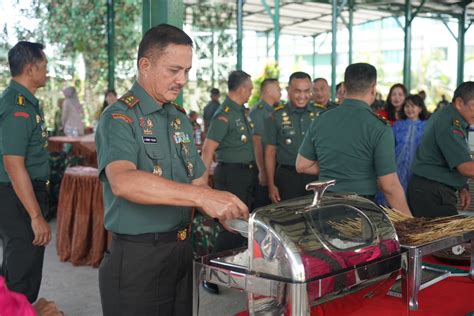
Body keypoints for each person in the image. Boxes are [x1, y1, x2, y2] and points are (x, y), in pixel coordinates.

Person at [95, 24, 248, 316]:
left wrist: (222, 207)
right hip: (138, 257)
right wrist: (200, 198)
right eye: (174, 70)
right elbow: (123, 182)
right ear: (145, 65)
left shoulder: (178, 118)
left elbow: (197, 182)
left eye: (187, 71)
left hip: (180, 251)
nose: (182, 80)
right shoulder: (119, 117)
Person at [296, 63, 412, 216]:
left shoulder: (321, 120)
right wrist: (410, 221)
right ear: (373, 89)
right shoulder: (379, 127)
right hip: (360, 210)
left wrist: (333, 166)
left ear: (344, 88)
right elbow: (389, 186)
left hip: (325, 205)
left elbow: (302, 165)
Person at [0, 41, 52, 303]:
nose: (47, 72)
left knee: (16, 269)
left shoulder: (25, 103)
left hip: (21, 192)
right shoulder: (18, 107)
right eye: (44, 66)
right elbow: (13, 164)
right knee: (22, 274)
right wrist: (35, 216)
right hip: (19, 196)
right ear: (30, 69)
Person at [200, 70, 257, 294]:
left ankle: (234, 271)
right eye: (250, 89)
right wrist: (202, 185)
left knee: (242, 226)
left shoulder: (240, 112)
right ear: (242, 89)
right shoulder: (223, 115)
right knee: (229, 226)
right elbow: (207, 149)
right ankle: (209, 274)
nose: (251, 93)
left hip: (246, 174)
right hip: (231, 174)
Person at [407, 82, 474, 218]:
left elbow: (449, 158)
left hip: (431, 190)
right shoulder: (450, 123)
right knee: (442, 239)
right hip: (432, 194)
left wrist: (462, 186)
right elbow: (466, 168)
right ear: (460, 103)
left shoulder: (450, 117)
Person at [264, 72, 320, 203]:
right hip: (287, 177)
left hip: (315, 177)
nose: (302, 96)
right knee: (289, 219)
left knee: (316, 218)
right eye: (297, 91)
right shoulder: (276, 116)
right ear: (288, 90)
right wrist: (271, 186)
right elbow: (270, 152)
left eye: (306, 91)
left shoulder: (321, 114)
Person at [375, 94, 429, 205]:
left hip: (416, 168)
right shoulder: (397, 125)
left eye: (413, 106)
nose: (409, 109)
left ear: (420, 108)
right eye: (407, 106)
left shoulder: (426, 127)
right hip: (396, 166)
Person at [249, 78, 282, 208]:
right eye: (278, 89)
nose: (280, 93)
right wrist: (262, 170)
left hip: (272, 165)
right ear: (269, 91)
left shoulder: (273, 111)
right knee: (262, 204)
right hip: (261, 165)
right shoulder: (259, 111)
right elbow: (256, 142)